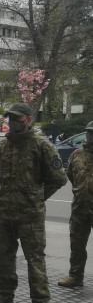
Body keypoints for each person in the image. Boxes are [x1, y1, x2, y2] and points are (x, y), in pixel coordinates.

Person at [0, 102, 67, 303]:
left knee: (35, 260)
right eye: (9, 119)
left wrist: (37, 197)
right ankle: (4, 296)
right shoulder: (1, 147)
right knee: (5, 256)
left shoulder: (41, 146)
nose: (12, 123)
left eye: (17, 119)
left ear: (28, 120)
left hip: (31, 216)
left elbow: (59, 178)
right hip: (4, 214)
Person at [60, 121, 93, 289]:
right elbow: (70, 175)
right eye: (89, 133)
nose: (90, 136)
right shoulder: (77, 155)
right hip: (80, 206)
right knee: (77, 243)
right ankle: (75, 276)